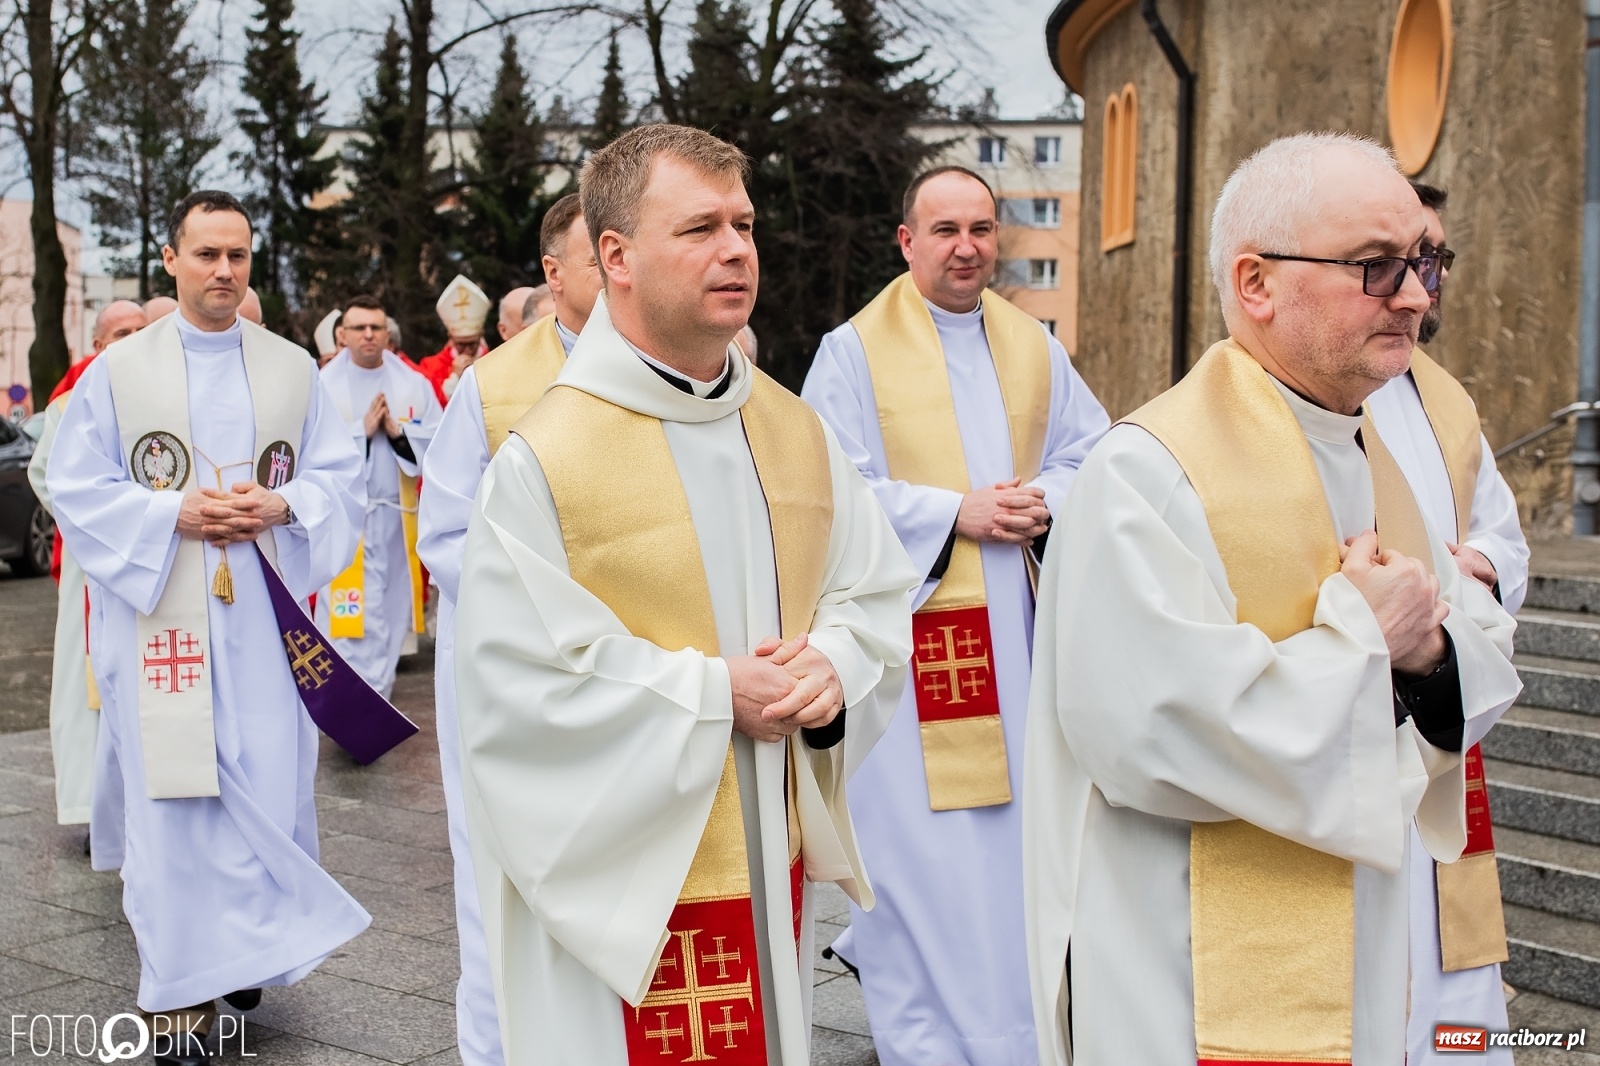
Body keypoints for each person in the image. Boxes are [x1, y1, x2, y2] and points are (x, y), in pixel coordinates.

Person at [1022, 133, 1523, 1066]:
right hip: (1183, 973)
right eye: (1377, 266)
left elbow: (1476, 645)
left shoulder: (1378, 446)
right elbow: (1147, 734)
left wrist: (1425, 656)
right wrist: (1366, 639)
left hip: (1368, 946)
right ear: (1256, 284)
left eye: (1426, 260)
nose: (1416, 294)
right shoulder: (1149, 472)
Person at [453, 123, 919, 1065]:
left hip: (764, 859)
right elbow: (518, 690)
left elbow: (872, 595)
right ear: (615, 256)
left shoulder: (796, 432)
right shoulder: (545, 458)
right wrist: (715, 696)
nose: (737, 249)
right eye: (700, 228)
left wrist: (832, 668)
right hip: (625, 888)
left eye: (743, 225)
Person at [46, 190, 371, 1065]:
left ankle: (246, 951)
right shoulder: (119, 372)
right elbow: (74, 489)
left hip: (263, 633)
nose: (223, 270)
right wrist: (170, 517)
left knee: (263, 785)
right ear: (171, 258)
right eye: (206, 254)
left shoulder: (293, 369)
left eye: (237, 255)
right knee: (175, 806)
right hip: (164, 626)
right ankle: (178, 993)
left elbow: (342, 484)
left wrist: (285, 501)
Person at [800, 166, 1109, 1064]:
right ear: (907, 242)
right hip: (918, 657)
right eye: (945, 230)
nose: (966, 247)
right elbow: (832, 489)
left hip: (1022, 642)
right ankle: (929, 1043)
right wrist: (953, 513)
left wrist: (1043, 496)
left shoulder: (1035, 345)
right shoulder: (852, 351)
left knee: (1019, 859)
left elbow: (1094, 452)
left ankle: (1025, 1035)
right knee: (925, 868)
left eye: (981, 228)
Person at [415, 189, 600, 1066]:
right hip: (516, 672)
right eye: (601, 256)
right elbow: (444, 534)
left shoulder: (672, 369)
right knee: (505, 881)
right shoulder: (492, 387)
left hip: (630, 679)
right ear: (555, 272)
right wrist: (543, 608)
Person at [1365, 182, 1528, 1065]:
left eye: (1434, 259)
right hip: (1355, 730)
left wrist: (1479, 570)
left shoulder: (1448, 402)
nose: (1424, 282)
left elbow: (1502, 532)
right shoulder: (1290, 394)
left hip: (1440, 706)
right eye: (1403, 257)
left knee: (1444, 968)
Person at [28, 300, 146, 839]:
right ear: (98, 345)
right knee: (86, 683)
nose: (131, 340)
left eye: (141, 331)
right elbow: (47, 475)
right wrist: (110, 520)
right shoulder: (72, 398)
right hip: (94, 561)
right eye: (120, 333)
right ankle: (88, 805)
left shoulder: (165, 390)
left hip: (156, 552)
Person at [316, 295, 441, 700]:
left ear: (387, 334)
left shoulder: (412, 383)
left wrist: (398, 433)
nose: (368, 335)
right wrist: (361, 431)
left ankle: (380, 694)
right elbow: (312, 450)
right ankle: (356, 699)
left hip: (396, 521)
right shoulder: (322, 385)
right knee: (354, 615)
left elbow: (438, 441)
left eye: (376, 327)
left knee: (389, 612)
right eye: (359, 328)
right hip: (349, 523)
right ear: (342, 335)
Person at [417, 275, 491, 404]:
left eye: (472, 344)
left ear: (481, 335)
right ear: (450, 338)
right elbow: (430, 406)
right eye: (461, 344)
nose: (467, 350)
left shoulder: (494, 361)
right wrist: (455, 377)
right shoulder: (430, 366)